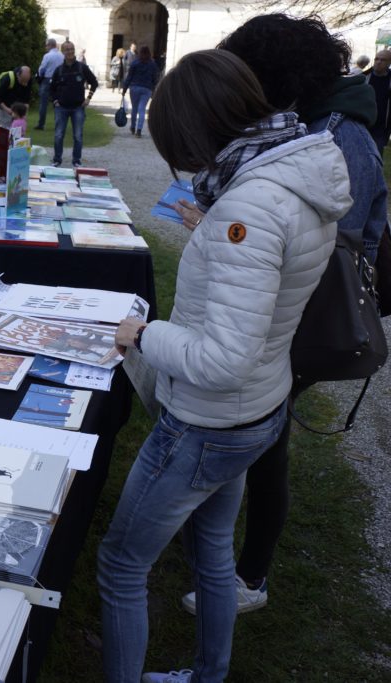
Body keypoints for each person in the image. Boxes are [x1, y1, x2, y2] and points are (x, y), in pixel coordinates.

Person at [99, 50, 350, 683]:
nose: (183, 163)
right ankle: (209, 674)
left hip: (208, 421)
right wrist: (217, 229)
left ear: (201, 130)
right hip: (259, 408)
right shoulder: (288, 174)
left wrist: (144, 333)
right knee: (211, 548)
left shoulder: (251, 205)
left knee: (122, 565)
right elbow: (267, 285)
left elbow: (222, 359)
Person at [156, 13, 389, 620]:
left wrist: (241, 239)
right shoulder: (311, 125)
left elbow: (331, 243)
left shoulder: (339, 136)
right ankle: (216, 558)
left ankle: (248, 574)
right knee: (257, 440)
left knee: (265, 441)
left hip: (293, 322)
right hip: (269, 313)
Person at [48, 41, 98, 166]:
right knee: (59, 135)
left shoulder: (82, 67)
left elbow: (94, 82)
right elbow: (51, 88)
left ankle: (76, 160)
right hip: (62, 108)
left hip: (78, 107)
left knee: (78, 136)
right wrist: (55, 101)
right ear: (63, 52)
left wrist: (88, 98)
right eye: (67, 49)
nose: (70, 52)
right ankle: (57, 160)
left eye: (71, 49)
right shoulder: (59, 70)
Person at [121, 46, 160, 137]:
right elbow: (155, 78)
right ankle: (139, 130)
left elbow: (129, 77)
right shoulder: (152, 64)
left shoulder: (135, 63)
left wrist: (124, 88)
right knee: (142, 109)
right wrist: (154, 89)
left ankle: (133, 126)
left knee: (134, 108)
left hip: (134, 87)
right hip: (147, 88)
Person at [36, 39, 64, 130]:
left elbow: (42, 69)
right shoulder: (62, 56)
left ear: (50, 45)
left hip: (47, 79)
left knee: (43, 103)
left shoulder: (47, 56)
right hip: (59, 81)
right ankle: (58, 124)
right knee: (57, 103)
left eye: (46, 45)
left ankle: (41, 124)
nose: (45, 47)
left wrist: (40, 76)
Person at [365, 50, 391, 149]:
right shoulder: (365, 77)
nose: (378, 62)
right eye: (377, 59)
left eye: (383, 60)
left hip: (381, 127)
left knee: (376, 157)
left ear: (389, 63)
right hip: (363, 123)